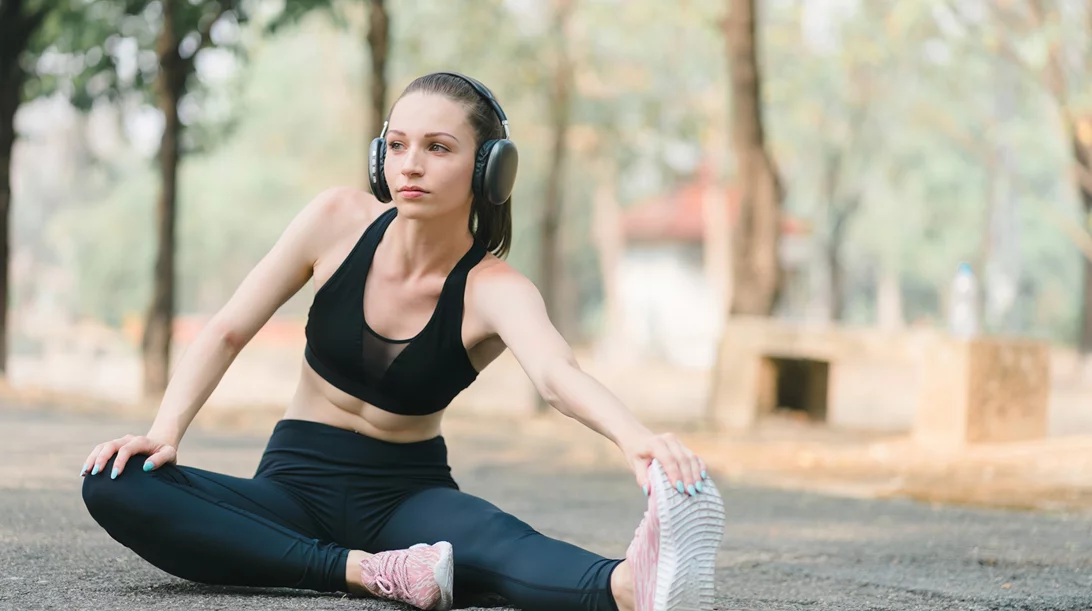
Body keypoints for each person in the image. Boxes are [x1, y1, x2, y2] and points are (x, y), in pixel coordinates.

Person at [80, 72, 725, 611]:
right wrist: (164, 435)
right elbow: (225, 329)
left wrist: (636, 439)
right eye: (396, 145)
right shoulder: (336, 221)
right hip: (290, 488)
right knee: (115, 482)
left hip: (408, 499)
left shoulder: (494, 288)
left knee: (501, 548)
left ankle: (636, 583)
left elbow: (558, 376)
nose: (410, 165)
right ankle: (368, 573)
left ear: (489, 169)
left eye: (438, 147)